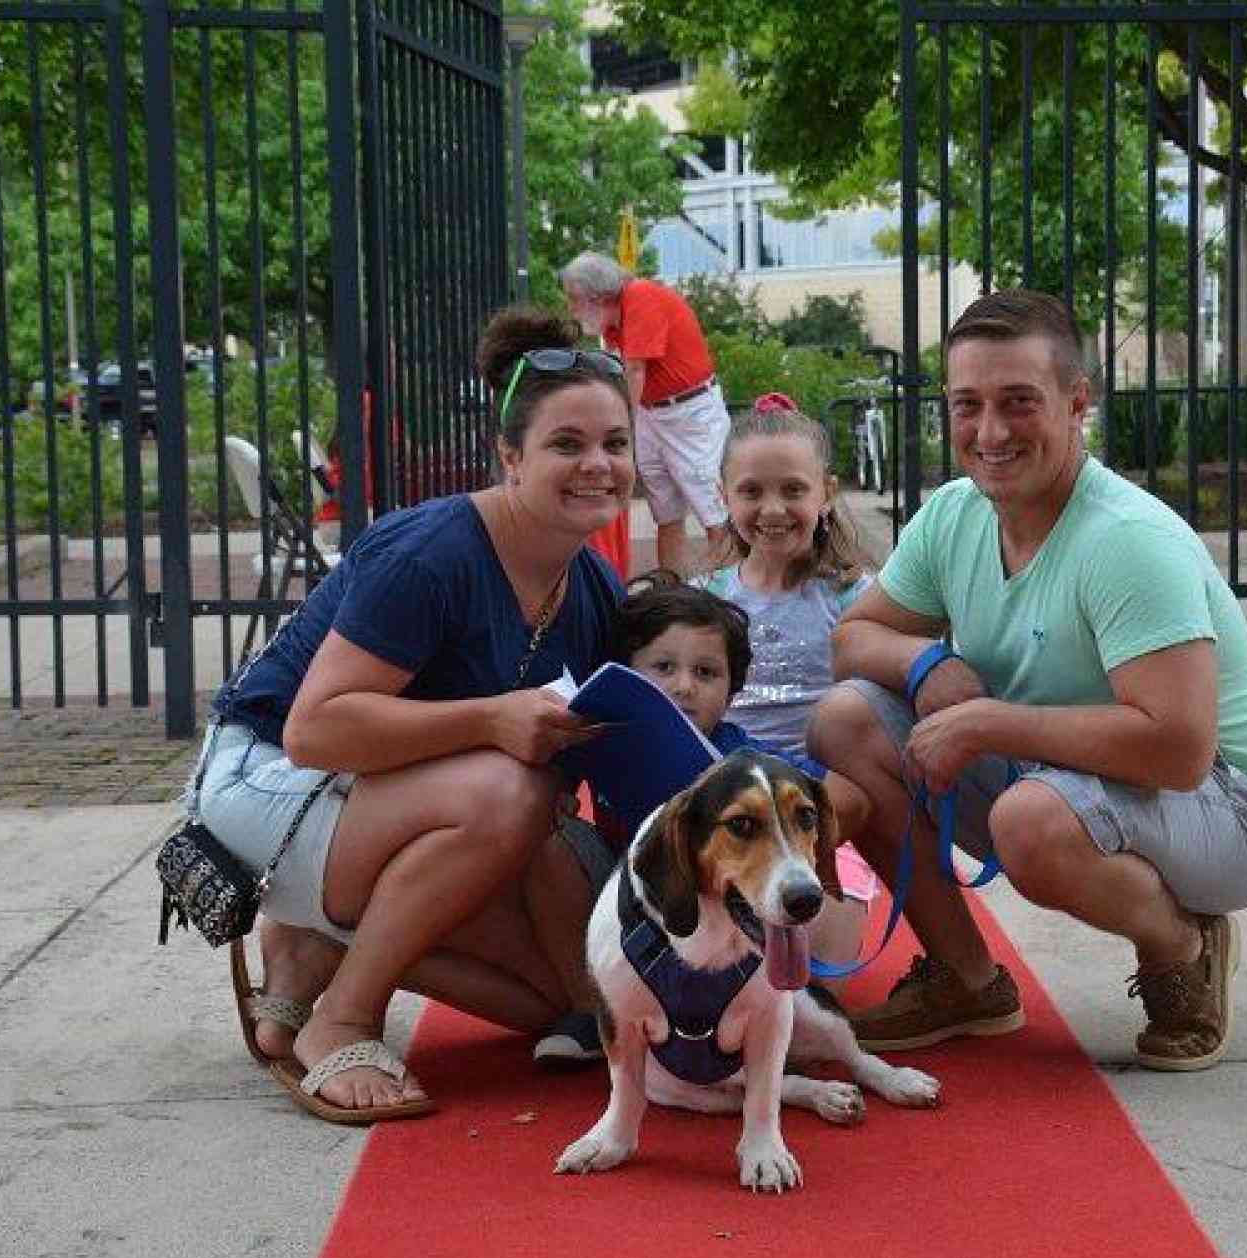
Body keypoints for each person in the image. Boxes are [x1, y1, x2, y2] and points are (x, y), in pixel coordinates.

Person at [809, 289, 1247, 1073]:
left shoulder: (1125, 540)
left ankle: (1185, 944)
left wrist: (986, 724)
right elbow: (852, 638)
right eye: (967, 405)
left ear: (1078, 403)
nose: (990, 432)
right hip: (1070, 772)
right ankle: (966, 980)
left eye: (1019, 402)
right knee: (845, 720)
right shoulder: (953, 515)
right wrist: (923, 661)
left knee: (1030, 821)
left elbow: (1179, 748)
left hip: (1229, 801)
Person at [193, 305, 633, 1120]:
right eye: (565, 445)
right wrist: (494, 719)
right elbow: (314, 728)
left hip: (385, 796)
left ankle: (316, 941)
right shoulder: (434, 552)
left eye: (615, 443)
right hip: (267, 777)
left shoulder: (594, 585)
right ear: (510, 457)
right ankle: (342, 1016)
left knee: (549, 1000)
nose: (596, 465)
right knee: (511, 793)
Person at [605, 573, 875, 971]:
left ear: (733, 689)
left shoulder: (740, 758)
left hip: (759, 882)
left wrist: (790, 847)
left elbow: (851, 798)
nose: (684, 687)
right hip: (648, 884)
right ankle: (587, 1007)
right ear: (625, 674)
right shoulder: (608, 747)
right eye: (663, 667)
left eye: (706, 673)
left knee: (820, 970)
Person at [697, 391, 884, 954]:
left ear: (826, 493)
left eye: (793, 490)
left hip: (820, 808)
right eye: (751, 491)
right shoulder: (706, 599)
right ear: (722, 497)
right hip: (730, 800)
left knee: (825, 967)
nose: (773, 509)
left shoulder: (856, 595)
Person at [559, 251, 731, 576]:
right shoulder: (612, 319)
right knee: (664, 510)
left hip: (689, 413)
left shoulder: (640, 296)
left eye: (574, 299)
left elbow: (634, 370)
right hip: (654, 413)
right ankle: (672, 591)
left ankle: (731, 594)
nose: (571, 308)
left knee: (711, 506)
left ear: (597, 296)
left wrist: (617, 424)